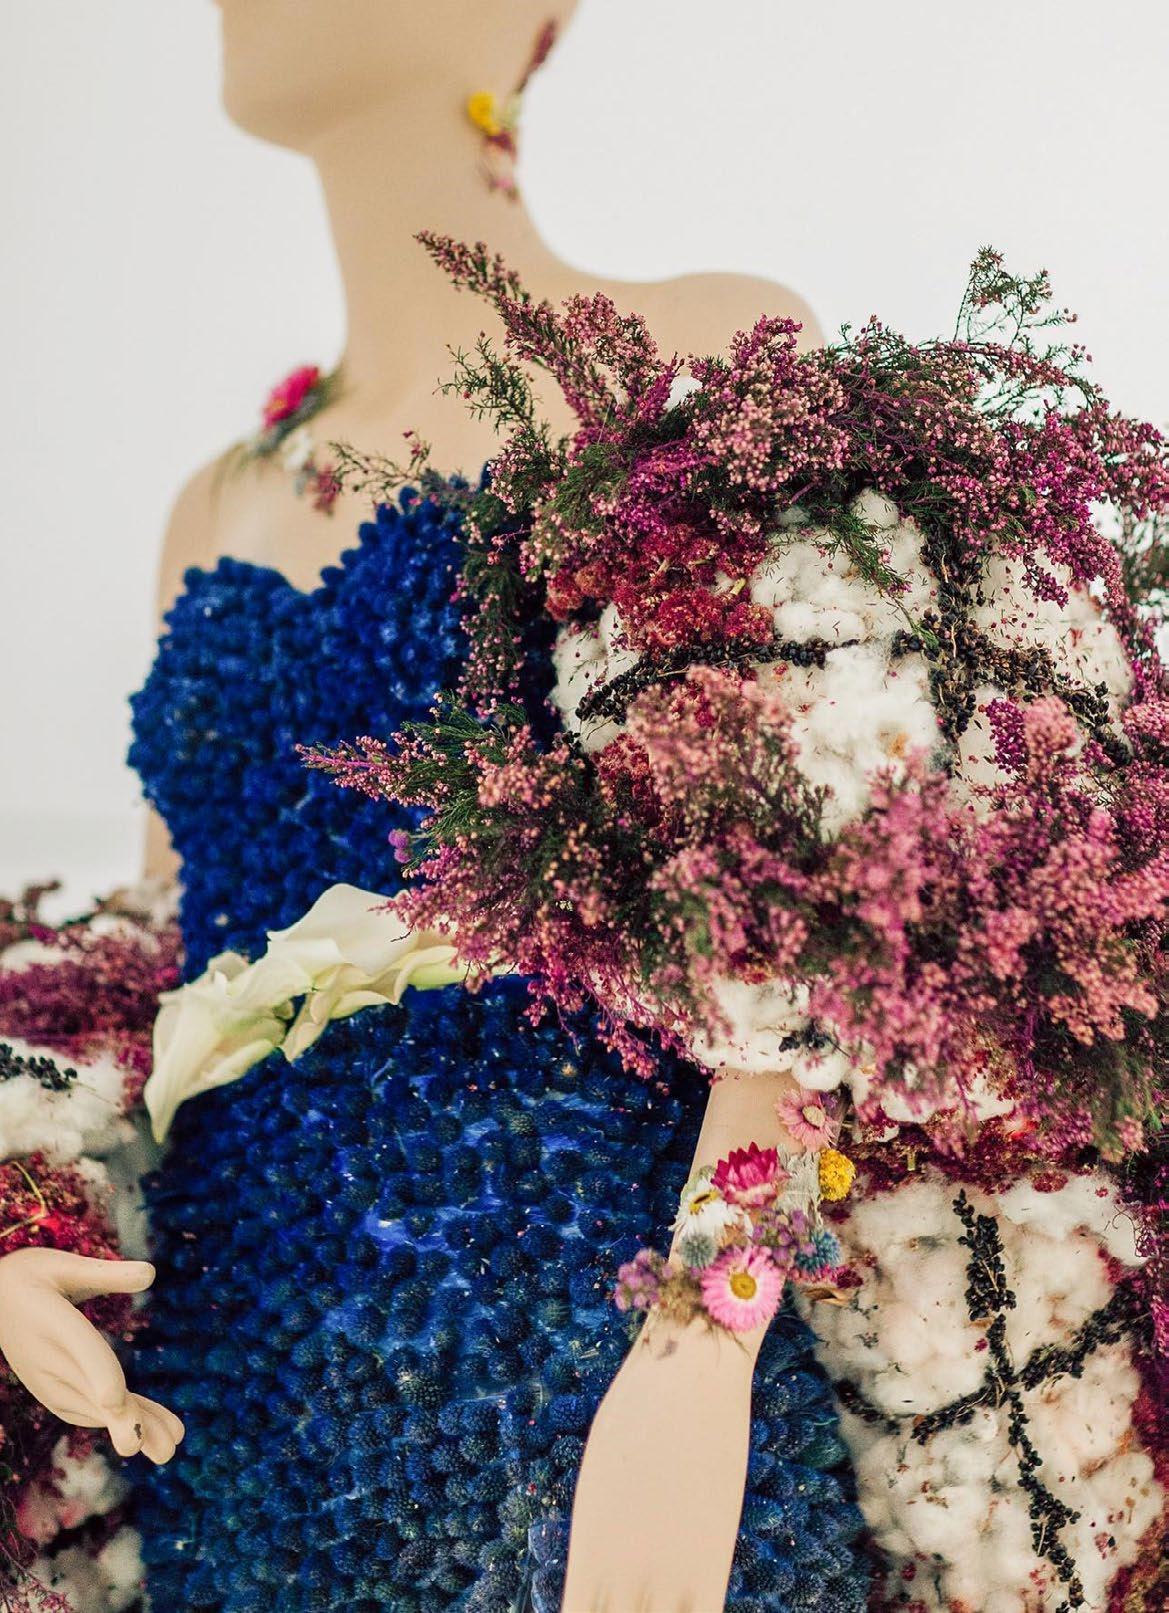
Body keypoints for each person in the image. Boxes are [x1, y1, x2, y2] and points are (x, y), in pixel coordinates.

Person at [1, 4, 869, 1610]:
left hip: (599, 1393)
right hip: (234, 1433)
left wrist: (701, 1345)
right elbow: (158, 959)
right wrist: (22, 1215)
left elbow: (817, 913)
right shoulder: (214, 505)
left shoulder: (701, 356)